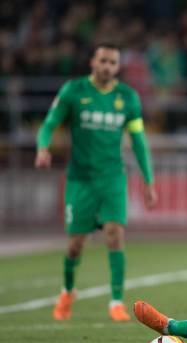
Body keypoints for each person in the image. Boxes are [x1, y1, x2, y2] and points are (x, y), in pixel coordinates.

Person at [35, 43, 158, 321]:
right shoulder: (73, 91)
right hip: (80, 181)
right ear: (93, 62)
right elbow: (49, 123)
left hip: (112, 178)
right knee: (75, 245)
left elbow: (138, 140)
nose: (107, 66)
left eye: (112, 63)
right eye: (102, 60)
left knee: (115, 235)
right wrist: (43, 147)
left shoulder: (127, 98)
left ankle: (116, 302)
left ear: (117, 67)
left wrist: (149, 181)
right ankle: (67, 291)